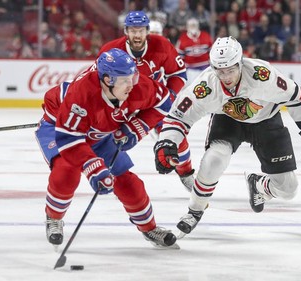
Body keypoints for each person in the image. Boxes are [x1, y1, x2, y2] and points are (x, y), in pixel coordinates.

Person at [153, 36, 301, 237]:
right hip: (228, 121)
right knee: (214, 160)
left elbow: (295, 95)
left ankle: (259, 185)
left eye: (230, 70)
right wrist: (166, 142)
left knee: (289, 189)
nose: (225, 76)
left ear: (240, 63)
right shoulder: (205, 86)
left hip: (266, 120)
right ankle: (195, 210)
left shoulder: (263, 75)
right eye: (219, 70)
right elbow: (177, 118)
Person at [35, 48, 178, 249]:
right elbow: (70, 138)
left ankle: (149, 228)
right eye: (124, 80)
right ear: (108, 80)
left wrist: (137, 126)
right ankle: (54, 218)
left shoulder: (138, 86)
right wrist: (93, 167)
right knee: (66, 172)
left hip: (99, 133)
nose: (132, 84)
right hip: (62, 129)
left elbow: (164, 101)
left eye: (133, 77)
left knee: (129, 184)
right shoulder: (81, 95)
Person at [96, 11, 194, 192]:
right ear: (126, 31)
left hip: (155, 102)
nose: (137, 35)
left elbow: (178, 74)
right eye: (133, 30)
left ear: (147, 31)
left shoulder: (162, 45)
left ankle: (186, 172)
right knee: (107, 136)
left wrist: (170, 96)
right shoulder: (110, 51)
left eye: (141, 30)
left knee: (176, 137)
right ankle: (105, 173)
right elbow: (97, 83)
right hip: (122, 103)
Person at [176, 18, 213, 83]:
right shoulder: (182, 39)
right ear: (187, 27)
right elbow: (179, 57)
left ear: (198, 26)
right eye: (191, 25)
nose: (193, 27)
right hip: (191, 70)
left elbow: (212, 52)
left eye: (194, 25)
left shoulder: (206, 36)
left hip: (206, 68)